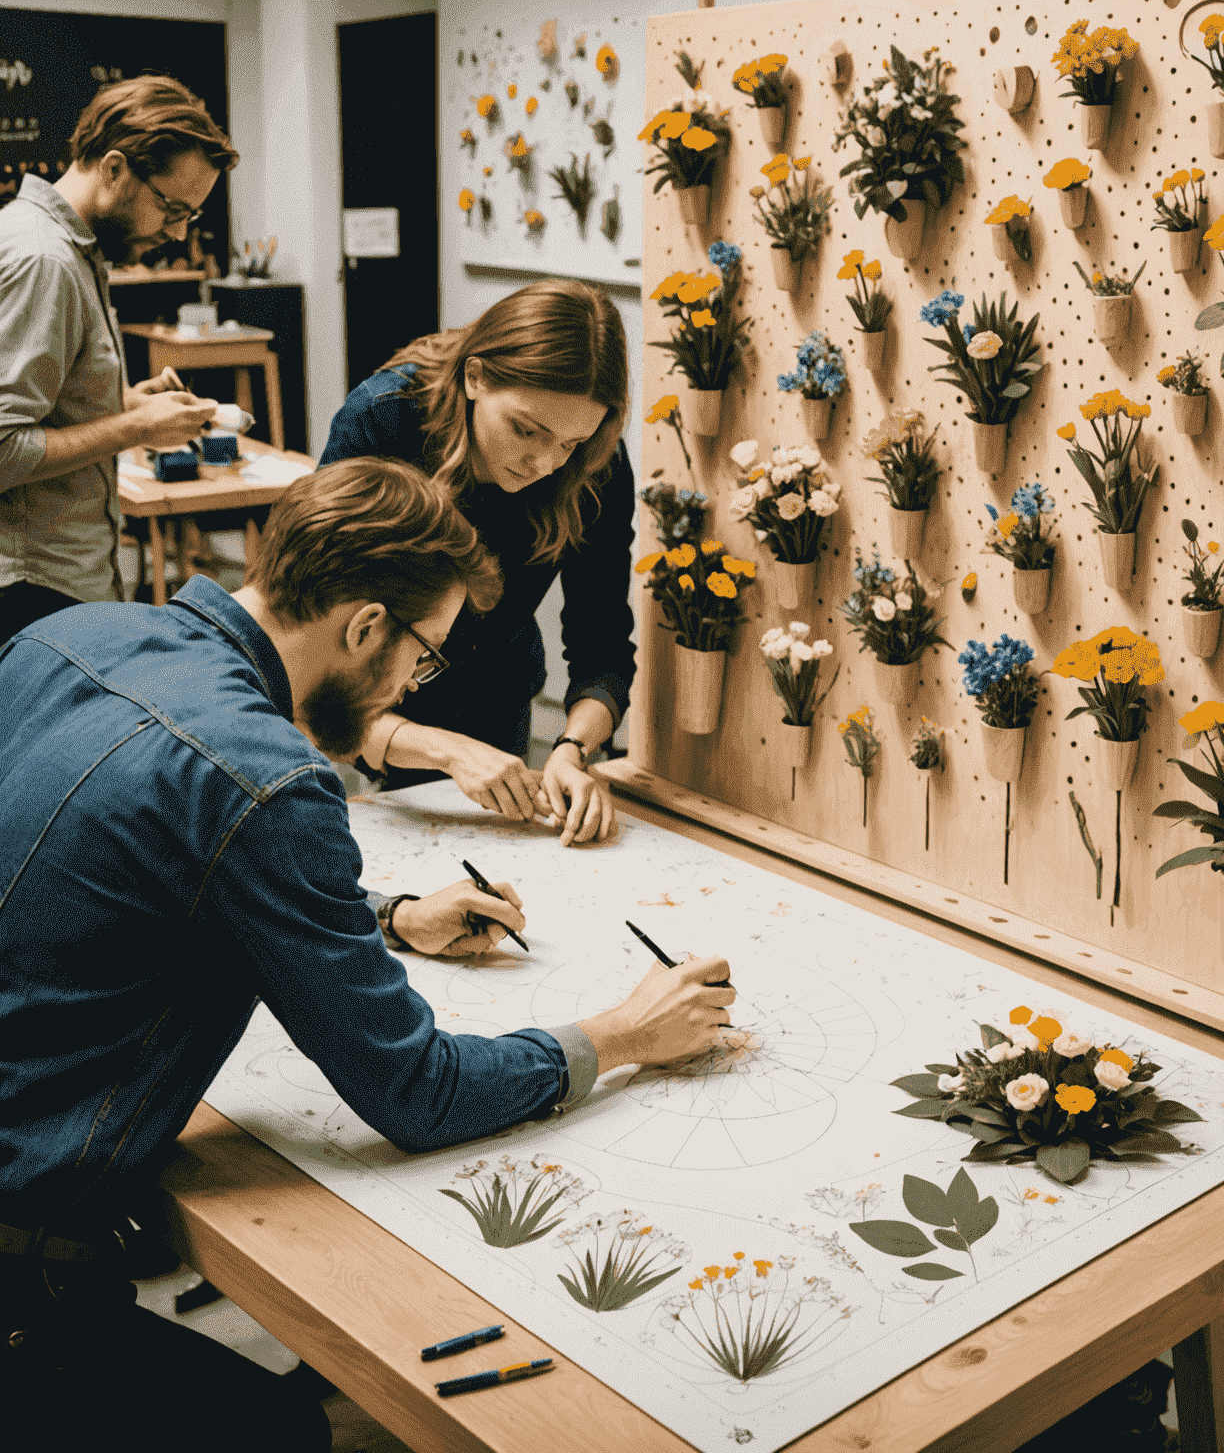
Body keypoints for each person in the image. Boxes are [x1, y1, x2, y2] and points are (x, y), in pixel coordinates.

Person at [0, 457, 733, 1451]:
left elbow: (149, 868)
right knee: (284, 1431)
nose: (411, 684)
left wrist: (389, 915)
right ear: (362, 627)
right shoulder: (269, 775)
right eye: (421, 658)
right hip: (21, 1258)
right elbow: (415, 1093)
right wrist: (622, 1033)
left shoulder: (67, 634)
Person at [321, 278, 635, 847]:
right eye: (525, 429)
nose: (544, 462)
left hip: (496, 687)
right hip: (367, 699)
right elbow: (315, 654)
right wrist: (444, 750)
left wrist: (573, 750)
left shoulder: (596, 461)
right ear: (475, 376)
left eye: (569, 443)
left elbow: (603, 643)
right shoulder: (386, 420)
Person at [0, 74, 237, 646]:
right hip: (35, 592)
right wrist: (134, 426)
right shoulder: (45, 259)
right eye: (172, 207)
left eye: (192, 217)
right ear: (113, 169)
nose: (178, 232)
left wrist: (122, 403)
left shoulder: (71, 246)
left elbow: (42, 410)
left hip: (59, 583)